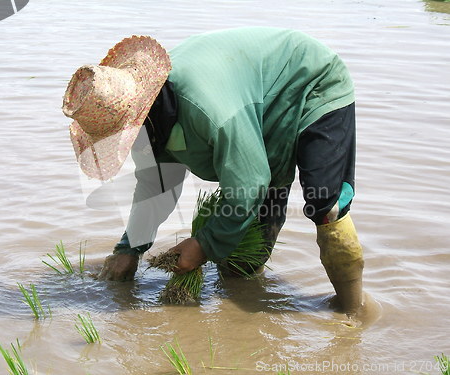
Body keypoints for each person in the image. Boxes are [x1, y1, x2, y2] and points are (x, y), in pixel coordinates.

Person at [62, 27, 364, 315]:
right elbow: (157, 186)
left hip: (311, 80)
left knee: (326, 206)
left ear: (140, 116)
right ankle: (246, 297)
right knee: (237, 263)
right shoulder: (151, 120)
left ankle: (353, 315)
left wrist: (203, 245)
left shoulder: (208, 110)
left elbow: (250, 182)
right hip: (257, 106)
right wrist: (130, 249)